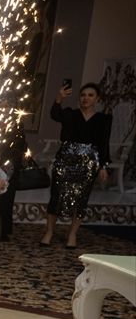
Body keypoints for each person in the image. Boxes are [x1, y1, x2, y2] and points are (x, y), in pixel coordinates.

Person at [42, 82, 112, 248]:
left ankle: (72, 234)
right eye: (82, 95)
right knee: (56, 196)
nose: (85, 98)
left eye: (90, 95)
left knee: (81, 199)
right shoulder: (70, 114)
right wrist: (59, 97)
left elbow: (104, 143)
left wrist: (103, 166)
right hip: (65, 161)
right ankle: (49, 232)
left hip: (88, 164)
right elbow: (54, 114)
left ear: (97, 99)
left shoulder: (103, 119)